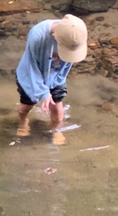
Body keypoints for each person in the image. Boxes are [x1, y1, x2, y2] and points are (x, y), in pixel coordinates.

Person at [16, 14, 87, 145]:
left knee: (57, 108)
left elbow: (66, 65)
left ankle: (56, 129)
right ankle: (23, 121)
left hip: (55, 76)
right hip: (30, 76)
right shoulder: (38, 36)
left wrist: (56, 84)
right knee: (26, 106)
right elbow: (31, 66)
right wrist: (43, 92)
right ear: (56, 37)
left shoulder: (75, 35)